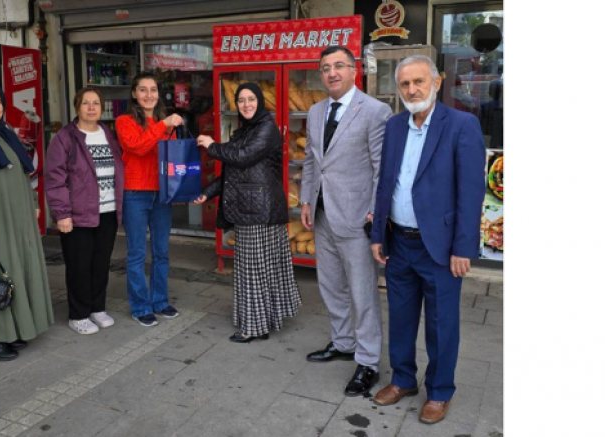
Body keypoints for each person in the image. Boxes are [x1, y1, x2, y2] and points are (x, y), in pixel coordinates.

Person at [368, 55, 486, 425]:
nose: (412, 89)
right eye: (405, 84)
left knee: (441, 323)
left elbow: (471, 193)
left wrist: (463, 248)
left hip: (440, 247)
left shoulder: (461, 125)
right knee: (401, 318)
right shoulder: (395, 126)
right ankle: (403, 379)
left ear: (436, 82)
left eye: (419, 81)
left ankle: (439, 391)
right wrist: (378, 234)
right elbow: (386, 184)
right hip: (399, 243)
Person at [299, 46, 392, 396]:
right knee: (331, 285)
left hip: (357, 217)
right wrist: (306, 200)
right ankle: (342, 343)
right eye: (325, 68)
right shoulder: (315, 111)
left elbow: (381, 168)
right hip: (322, 213)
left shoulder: (375, 111)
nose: (332, 73)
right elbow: (312, 161)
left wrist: (375, 212)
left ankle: (368, 361)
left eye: (339, 66)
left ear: (354, 70)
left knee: (362, 292)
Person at [194, 82, 302, 343]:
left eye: (251, 99)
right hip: (252, 208)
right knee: (256, 270)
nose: (246, 104)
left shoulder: (267, 129)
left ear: (260, 101)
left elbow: (242, 157)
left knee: (253, 271)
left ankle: (253, 327)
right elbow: (234, 170)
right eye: (241, 100)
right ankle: (261, 323)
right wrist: (208, 192)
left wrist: (212, 146)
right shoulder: (245, 131)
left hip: (259, 210)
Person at [45, 87, 125, 335]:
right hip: (77, 214)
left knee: (101, 263)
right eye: (85, 103)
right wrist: (62, 214)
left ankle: (97, 308)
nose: (91, 108)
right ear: (77, 107)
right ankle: (78, 314)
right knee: (79, 265)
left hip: (107, 211)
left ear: (102, 107)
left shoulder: (107, 133)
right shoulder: (65, 138)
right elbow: (55, 179)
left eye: (96, 103)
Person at [115, 72, 186, 327]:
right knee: (136, 253)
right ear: (134, 94)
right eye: (143, 90)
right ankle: (140, 306)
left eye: (153, 90)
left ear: (158, 93)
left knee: (161, 252)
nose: (148, 95)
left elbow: (173, 157)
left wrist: (177, 189)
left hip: (162, 193)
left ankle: (160, 301)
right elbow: (138, 146)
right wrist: (163, 125)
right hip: (135, 193)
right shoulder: (124, 121)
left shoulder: (165, 123)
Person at [0, 88, 54, 361]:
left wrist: (32, 201)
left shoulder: (5, 132)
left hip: (18, 213)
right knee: (0, 269)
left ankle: (15, 328)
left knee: (16, 266)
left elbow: (22, 171)